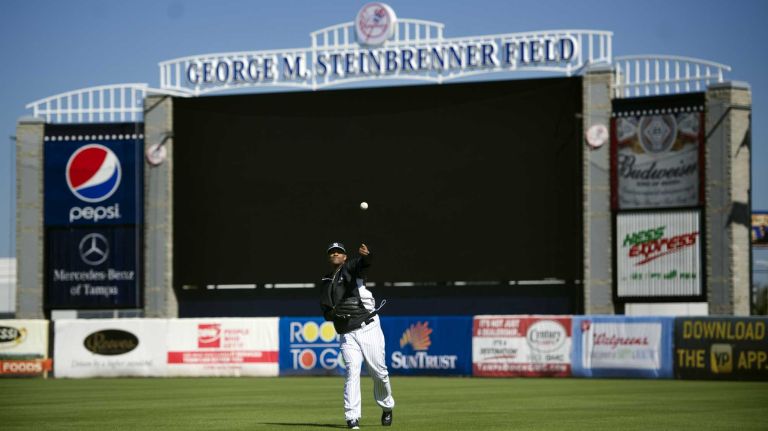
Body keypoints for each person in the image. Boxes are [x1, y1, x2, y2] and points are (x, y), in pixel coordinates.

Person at [320, 242, 395, 429]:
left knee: (379, 372)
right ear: (329, 257)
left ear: (345, 257)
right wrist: (334, 313)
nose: (335, 254)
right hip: (346, 333)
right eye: (332, 252)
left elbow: (364, 264)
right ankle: (352, 418)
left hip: (367, 327)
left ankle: (387, 406)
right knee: (352, 372)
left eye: (339, 252)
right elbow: (325, 311)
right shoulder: (326, 281)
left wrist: (366, 256)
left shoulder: (352, 269)